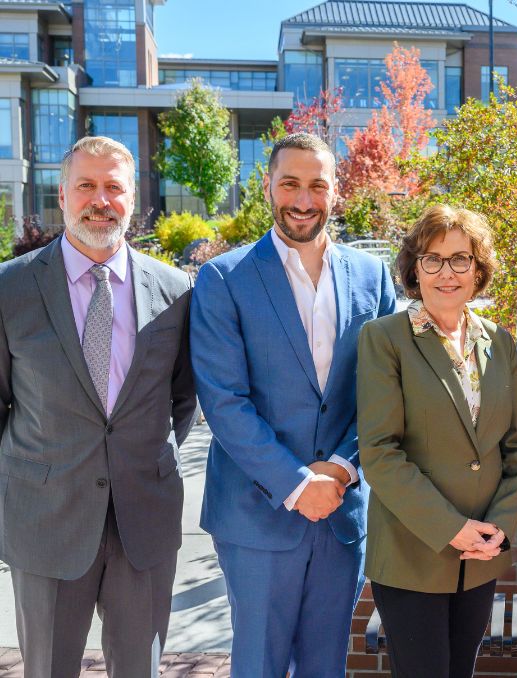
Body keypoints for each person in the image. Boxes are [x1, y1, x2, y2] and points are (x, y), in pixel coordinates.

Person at [190, 132, 395, 678]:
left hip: (342, 513)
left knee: (326, 666)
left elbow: (387, 389)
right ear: (267, 186)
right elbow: (224, 401)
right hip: (257, 516)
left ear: (336, 193)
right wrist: (299, 484)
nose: (303, 200)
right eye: (290, 184)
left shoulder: (372, 277)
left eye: (317, 185)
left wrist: (344, 468)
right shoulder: (223, 278)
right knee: (258, 665)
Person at [0, 136, 196, 677]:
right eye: (86, 185)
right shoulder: (10, 288)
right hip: (46, 521)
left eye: (114, 187)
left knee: (139, 670)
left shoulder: (176, 290)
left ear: (133, 200)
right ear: (62, 194)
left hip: (144, 521)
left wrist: (138, 457)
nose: (100, 199)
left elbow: (181, 398)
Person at [357, 204, 517, 678]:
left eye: (460, 259)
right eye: (432, 259)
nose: (446, 272)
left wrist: (498, 527)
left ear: (479, 269)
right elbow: (379, 452)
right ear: (415, 268)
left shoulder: (499, 342)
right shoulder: (385, 338)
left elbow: (515, 449)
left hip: (479, 556)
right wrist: (451, 528)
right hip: (414, 553)